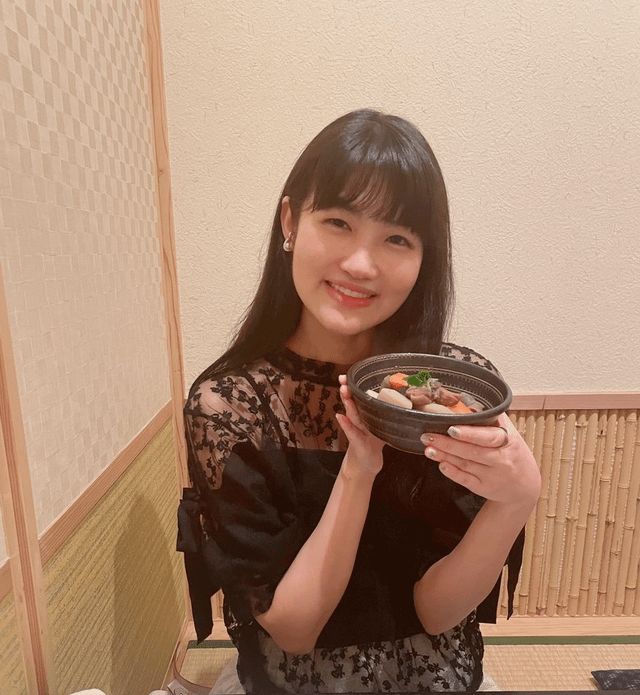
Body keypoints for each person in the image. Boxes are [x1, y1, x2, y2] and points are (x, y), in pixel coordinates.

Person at [176, 108, 542, 694]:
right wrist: (359, 468)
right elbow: (294, 631)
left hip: (432, 675)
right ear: (291, 221)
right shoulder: (232, 405)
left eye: (396, 238)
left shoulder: (452, 390)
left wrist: (516, 500)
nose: (361, 264)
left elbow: (437, 613)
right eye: (339, 222)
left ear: (425, 258)